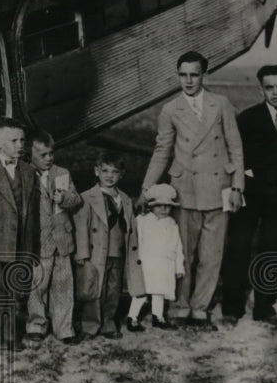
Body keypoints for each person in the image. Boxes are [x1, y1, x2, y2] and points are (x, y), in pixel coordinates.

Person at [141, 51, 244, 330]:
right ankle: (180, 306)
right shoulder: (171, 109)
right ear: (178, 76)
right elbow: (162, 150)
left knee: (211, 255)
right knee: (182, 253)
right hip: (185, 188)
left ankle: (200, 307)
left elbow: (235, 146)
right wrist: (147, 186)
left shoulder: (221, 104)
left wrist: (237, 186)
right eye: (183, 75)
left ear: (204, 75)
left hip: (217, 186)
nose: (188, 80)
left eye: (194, 74)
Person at [220, 64, 277, 325]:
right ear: (261, 89)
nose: (275, 92)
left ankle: (264, 308)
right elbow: (234, 155)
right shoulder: (248, 118)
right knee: (238, 247)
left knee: (272, 249)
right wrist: (237, 187)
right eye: (269, 87)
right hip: (250, 191)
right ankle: (232, 308)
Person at [0, 117, 40, 349]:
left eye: (22, 140)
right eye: (14, 140)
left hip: (21, 241)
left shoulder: (28, 171)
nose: (20, 145)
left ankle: (11, 335)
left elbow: (32, 211)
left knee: (15, 289)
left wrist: (33, 245)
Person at [23, 131, 83, 348]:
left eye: (51, 153)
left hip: (62, 240)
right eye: (43, 154)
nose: (49, 158)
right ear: (30, 154)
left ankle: (64, 328)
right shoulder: (25, 174)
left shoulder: (62, 173)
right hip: (40, 241)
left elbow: (77, 200)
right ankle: (36, 325)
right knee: (37, 286)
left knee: (64, 286)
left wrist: (65, 198)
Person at [74, 153, 142, 339]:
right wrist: (82, 252)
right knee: (94, 289)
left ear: (122, 174)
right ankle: (90, 325)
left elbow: (130, 228)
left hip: (118, 252)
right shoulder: (87, 197)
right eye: (104, 171)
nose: (109, 175)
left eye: (115, 172)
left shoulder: (126, 199)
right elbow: (81, 227)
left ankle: (108, 323)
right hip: (96, 252)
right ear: (96, 172)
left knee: (113, 290)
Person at [126, 183, 183, 332]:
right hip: (146, 264)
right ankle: (132, 318)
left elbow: (177, 247)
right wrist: (134, 262)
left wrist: (178, 266)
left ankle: (158, 317)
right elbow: (135, 242)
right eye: (159, 206)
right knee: (141, 292)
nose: (163, 209)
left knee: (159, 292)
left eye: (167, 206)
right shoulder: (142, 221)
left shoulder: (172, 224)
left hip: (164, 264)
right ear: (151, 206)